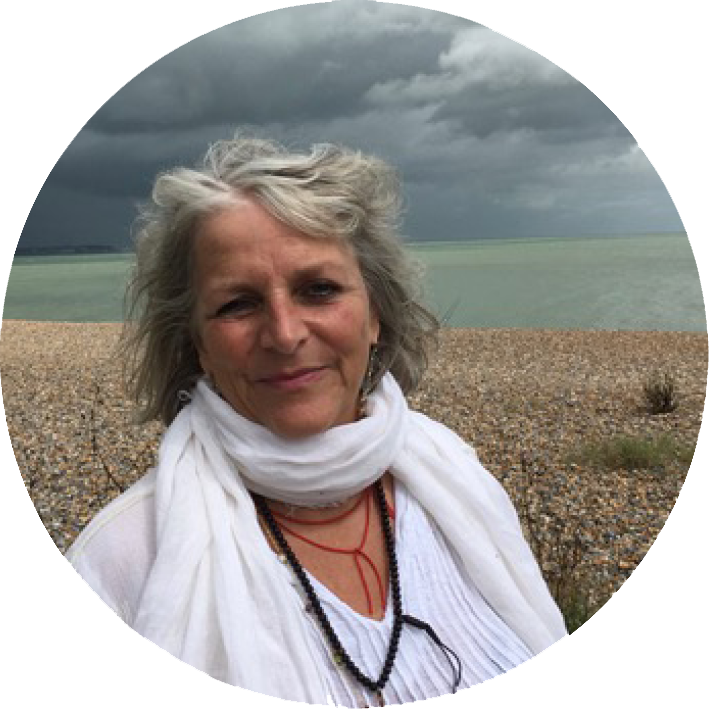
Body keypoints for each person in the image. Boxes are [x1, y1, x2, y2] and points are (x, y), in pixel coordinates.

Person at [66, 134, 567, 706]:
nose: (284, 333)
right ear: (198, 345)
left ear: (375, 315)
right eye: (238, 303)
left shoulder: (452, 473)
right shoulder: (125, 557)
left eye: (319, 289)